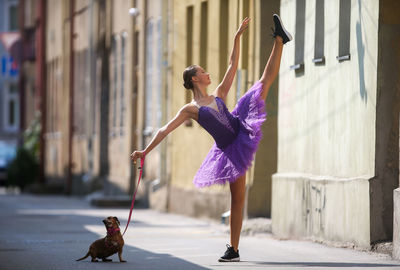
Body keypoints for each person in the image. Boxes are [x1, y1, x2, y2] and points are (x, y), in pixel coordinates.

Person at [131, 14, 292, 262]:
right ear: (195, 78)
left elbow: (232, 65)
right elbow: (164, 130)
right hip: (230, 150)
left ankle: (279, 40)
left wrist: (237, 38)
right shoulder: (191, 109)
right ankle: (234, 249)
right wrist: (145, 151)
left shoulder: (218, 94)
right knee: (237, 200)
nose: (208, 74)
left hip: (241, 128)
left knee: (261, 83)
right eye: (203, 72)